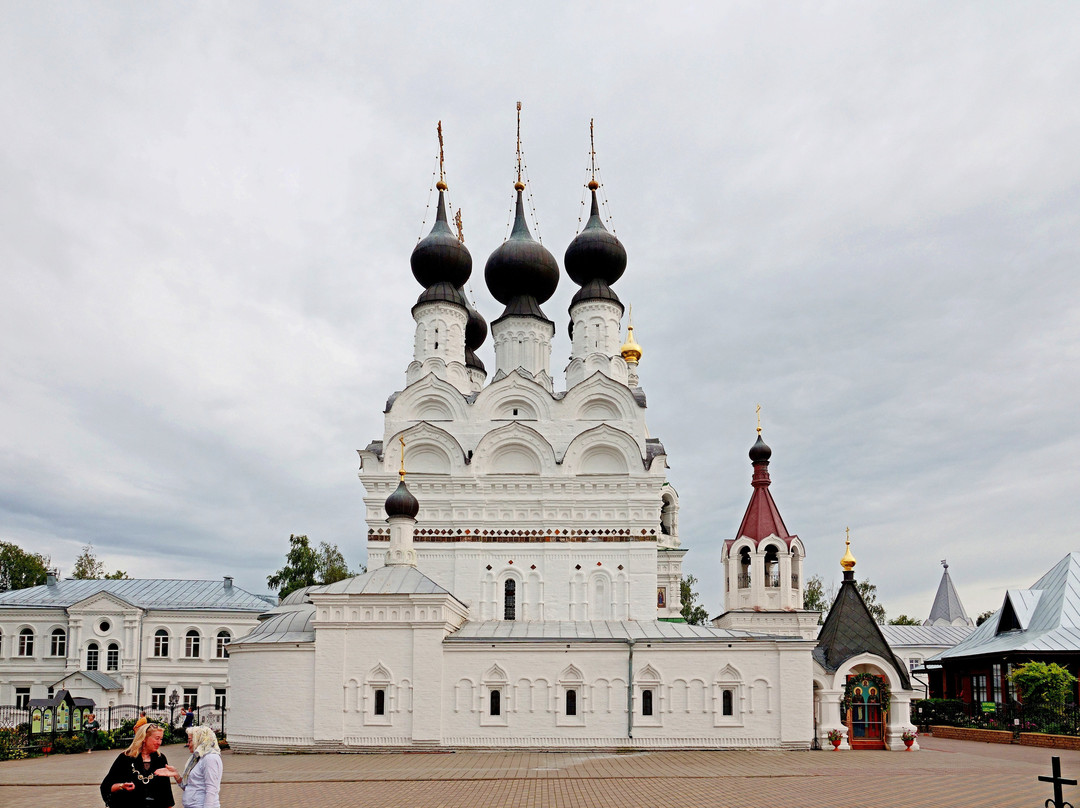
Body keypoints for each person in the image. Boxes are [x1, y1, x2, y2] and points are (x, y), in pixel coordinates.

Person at [99, 723, 175, 807]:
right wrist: (121, 786)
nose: (159, 742)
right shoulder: (125, 758)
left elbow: (166, 791)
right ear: (144, 738)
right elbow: (106, 787)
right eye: (157, 739)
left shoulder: (160, 759)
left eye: (161, 739)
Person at [164, 725, 222, 808]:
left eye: (190, 741)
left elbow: (211, 789)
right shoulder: (197, 758)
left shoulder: (210, 758)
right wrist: (176, 775)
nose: (187, 744)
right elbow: (190, 787)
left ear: (199, 740)